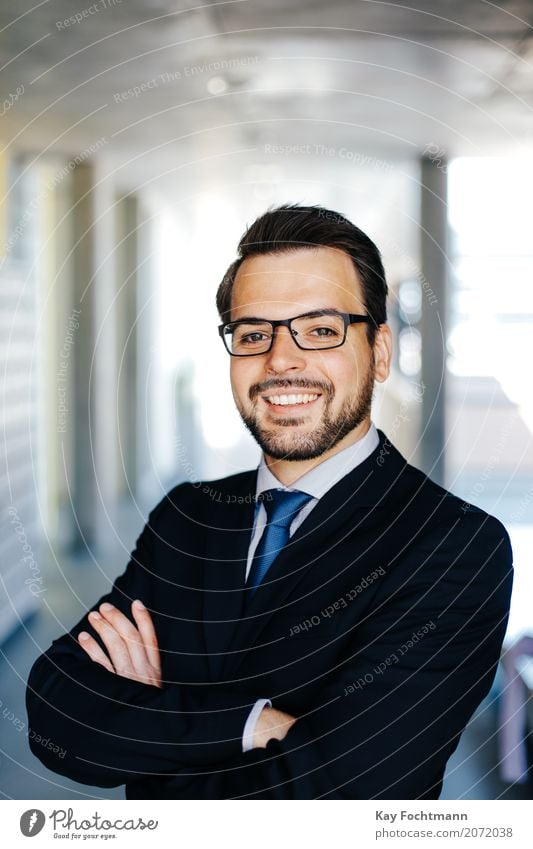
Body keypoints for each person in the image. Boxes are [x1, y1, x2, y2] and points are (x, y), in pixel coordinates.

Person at [26, 204, 513, 799]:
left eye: (321, 329)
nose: (281, 360)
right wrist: (251, 724)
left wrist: (154, 730)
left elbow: (347, 794)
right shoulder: (188, 516)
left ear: (380, 353)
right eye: (254, 333)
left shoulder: (455, 545)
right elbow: (59, 717)